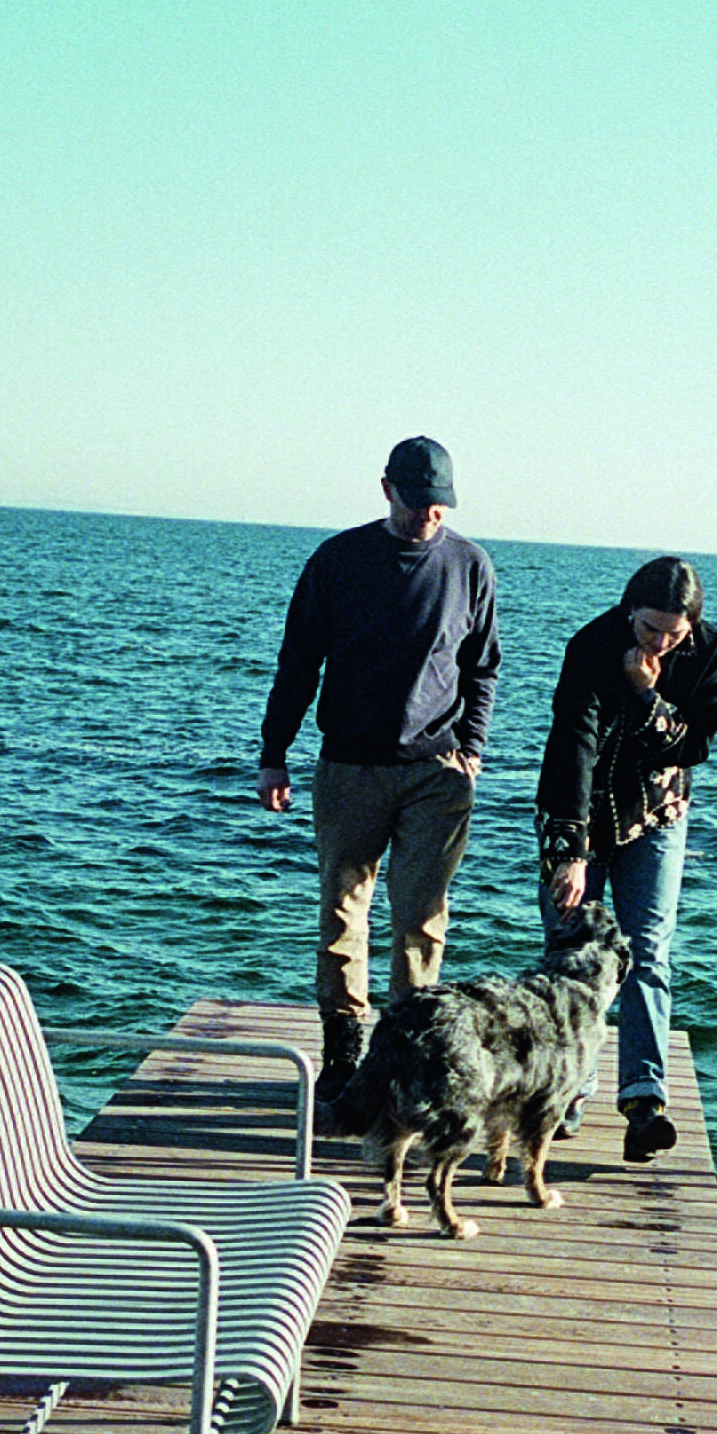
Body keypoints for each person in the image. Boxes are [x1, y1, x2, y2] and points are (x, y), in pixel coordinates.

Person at [257, 437, 501, 1092]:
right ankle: (342, 1051)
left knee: (421, 915)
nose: (430, 515)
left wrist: (471, 749)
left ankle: (406, 1051)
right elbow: (297, 663)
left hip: (437, 771)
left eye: (440, 506)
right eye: (419, 502)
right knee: (342, 907)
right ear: (387, 488)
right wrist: (273, 756)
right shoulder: (338, 561)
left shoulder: (470, 566)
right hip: (349, 766)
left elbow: (481, 667)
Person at [535, 556, 717, 1160]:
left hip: (656, 816)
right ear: (630, 612)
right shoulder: (592, 645)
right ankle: (565, 1092)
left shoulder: (706, 655)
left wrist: (648, 694)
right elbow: (575, 740)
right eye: (650, 630)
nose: (662, 642)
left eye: (675, 634)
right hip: (578, 812)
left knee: (647, 950)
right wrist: (572, 850)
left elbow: (693, 745)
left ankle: (644, 1101)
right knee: (572, 952)